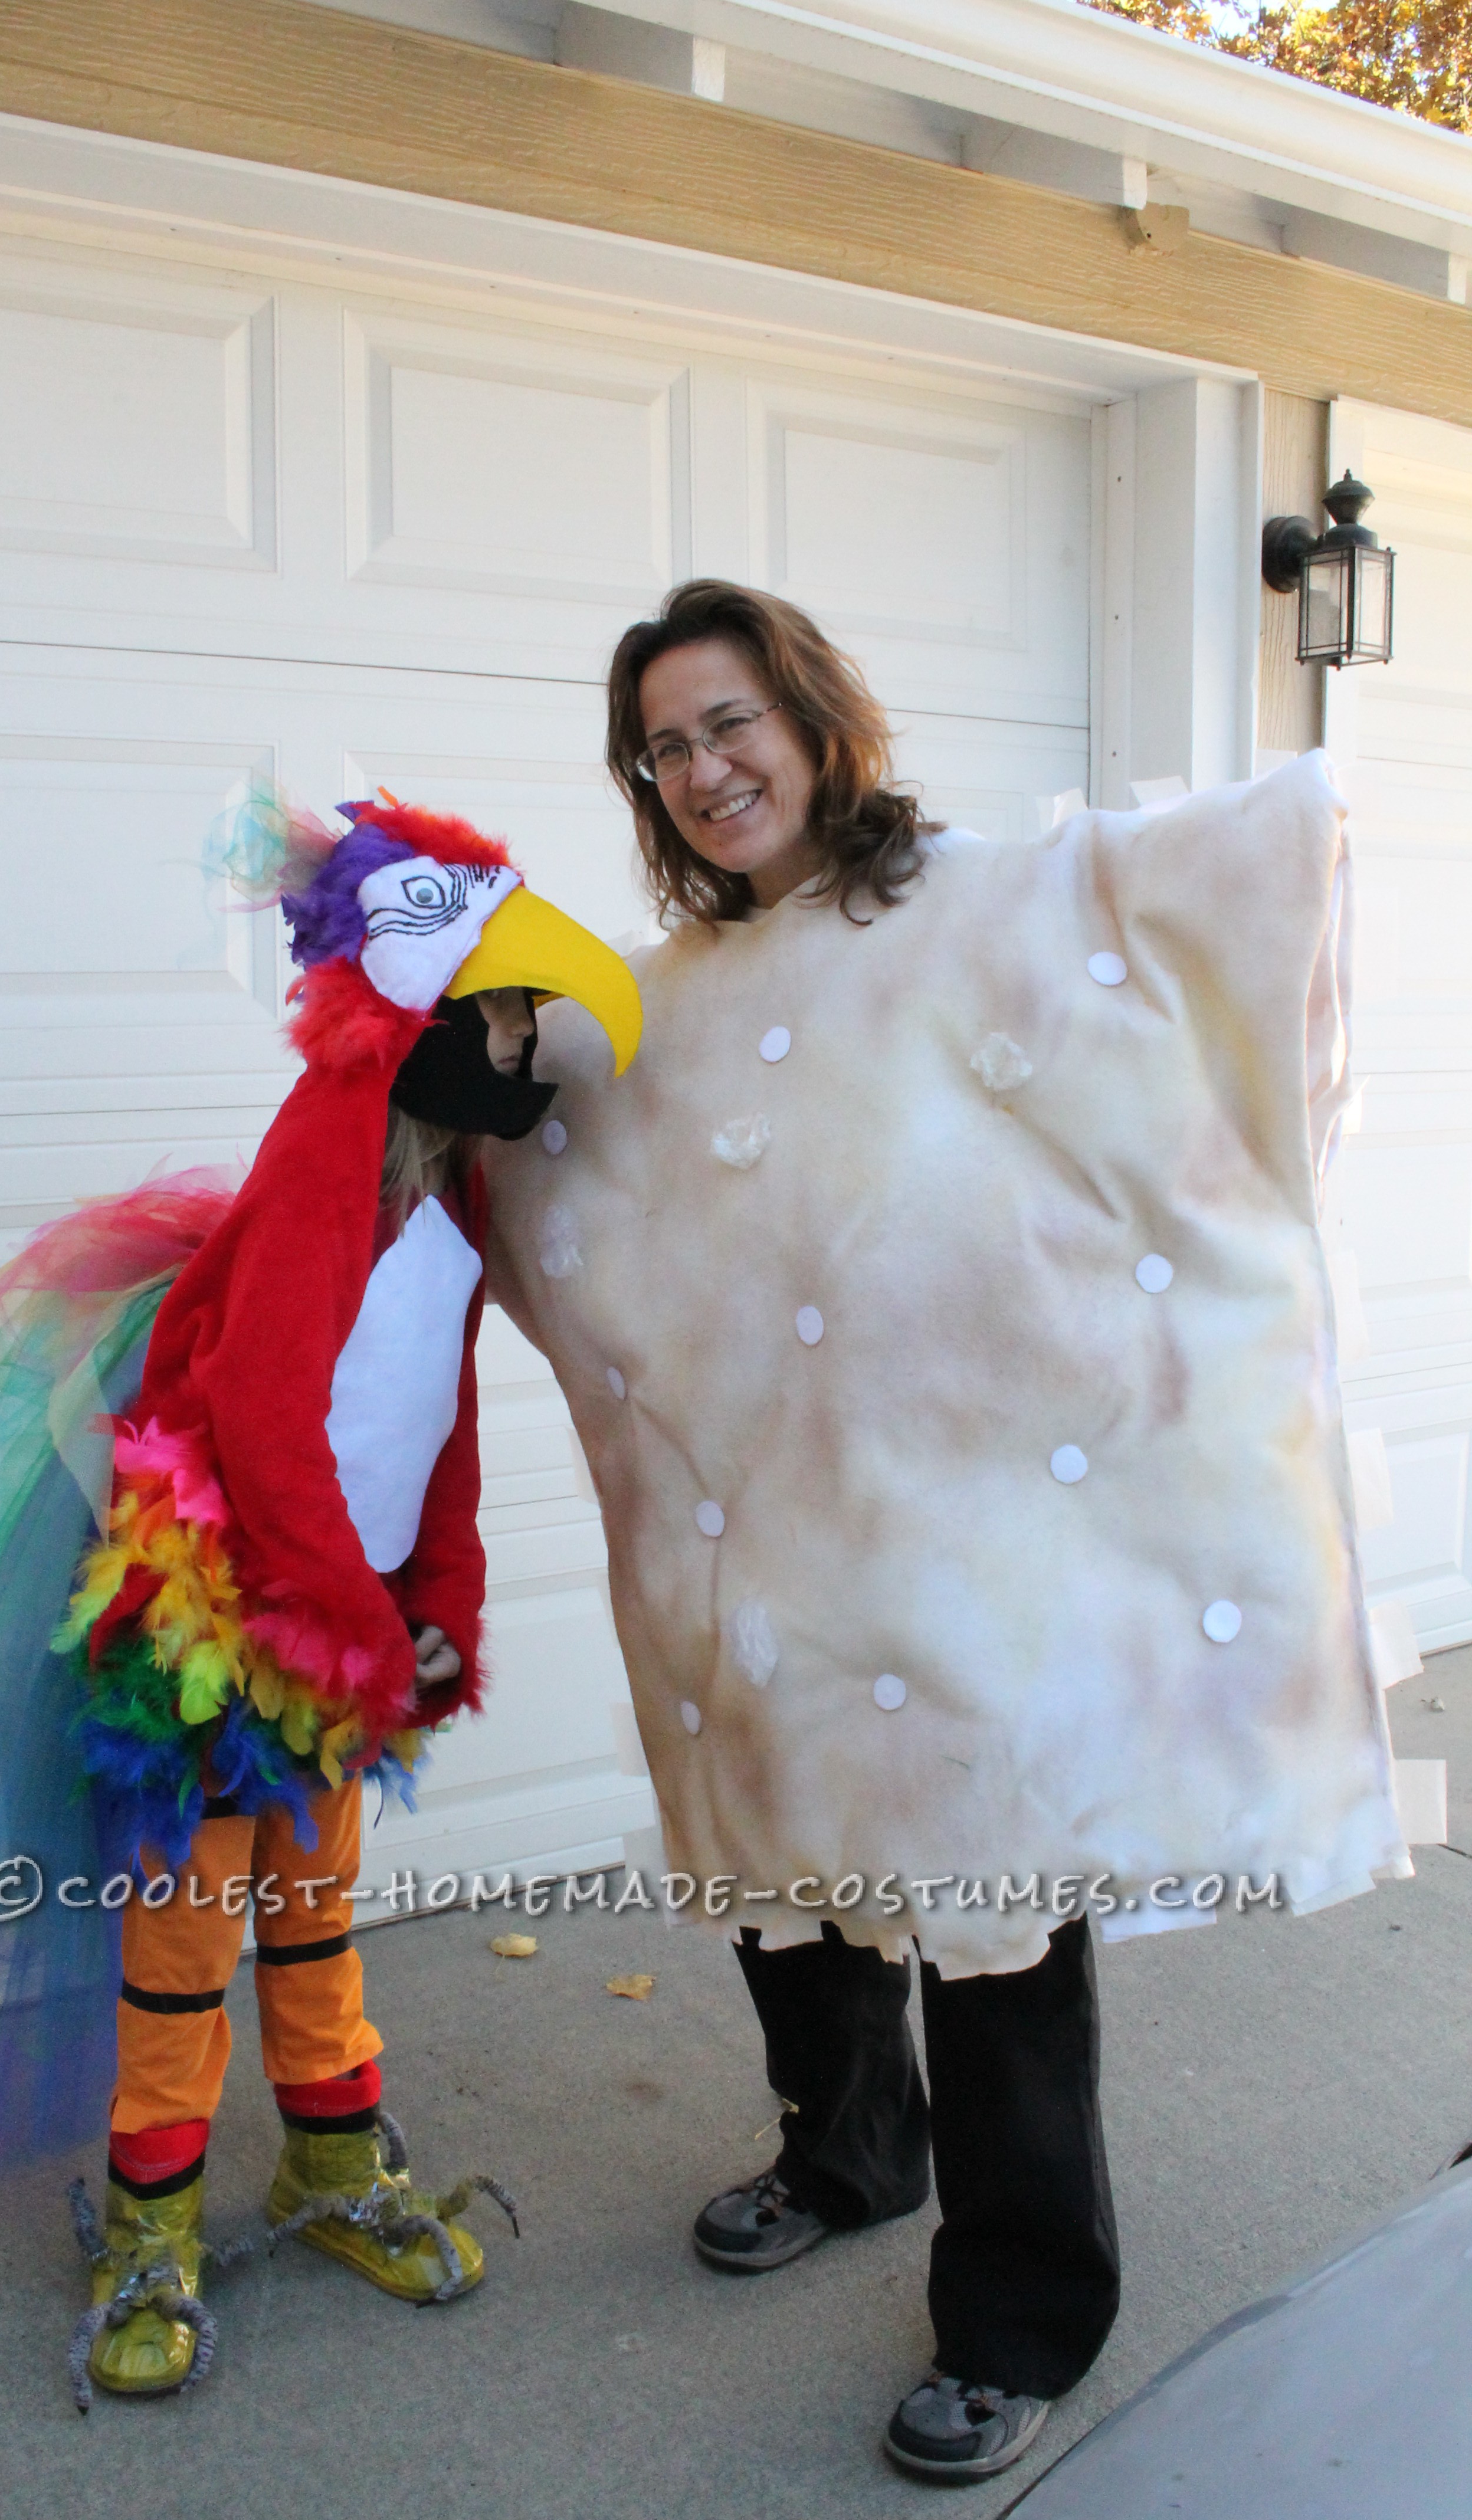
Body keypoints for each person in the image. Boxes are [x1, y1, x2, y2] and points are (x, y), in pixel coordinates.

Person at [483, 580, 1407, 2483]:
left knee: (992, 1915)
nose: (701, 767)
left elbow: (1200, 922)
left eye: (726, 720)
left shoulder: (986, 901)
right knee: (782, 1870)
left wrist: (1275, 840)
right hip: (761, 1533)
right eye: (663, 746)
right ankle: (846, 2153)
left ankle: (1017, 2316)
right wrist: (473, 1104)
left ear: (818, 718)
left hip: (969, 1526)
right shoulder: (665, 992)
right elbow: (558, 1163)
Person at [0, 789, 641, 2408]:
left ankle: (325, 2170)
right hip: (217, 1621)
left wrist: (433, 1593)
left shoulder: (452, 1186)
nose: (534, 1051)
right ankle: (150, 2228)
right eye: (515, 1020)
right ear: (430, 1016)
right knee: (187, 1938)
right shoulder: (332, 1151)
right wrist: (353, 1622)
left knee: (315, 1910)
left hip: (339, 1608)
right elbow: (261, 1416)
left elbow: (432, 1418)